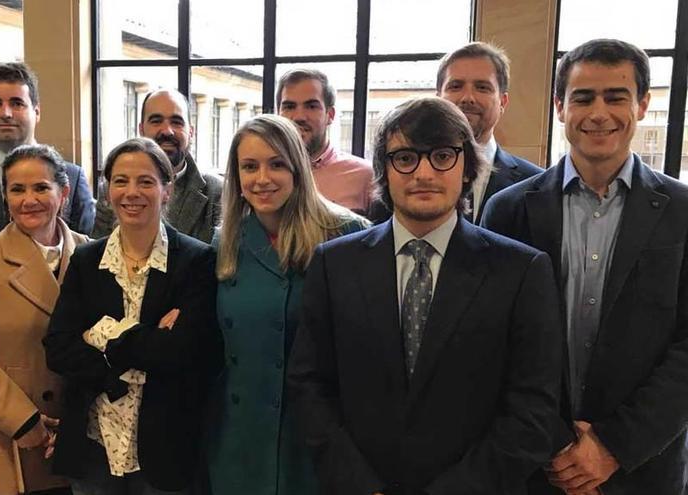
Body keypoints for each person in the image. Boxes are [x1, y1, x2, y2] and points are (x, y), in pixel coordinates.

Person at [288, 97, 571, 494]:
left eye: (441, 155)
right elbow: (309, 386)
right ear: (384, 170)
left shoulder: (520, 271)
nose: (423, 172)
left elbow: (532, 411)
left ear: (467, 166)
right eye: (404, 158)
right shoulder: (335, 264)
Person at [482, 38, 688, 495]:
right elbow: (491, 342)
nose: (599, 113)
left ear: (643, 105)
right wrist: (559, 445)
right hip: (534, 465)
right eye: (582, 97)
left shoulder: (683, 212)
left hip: (643, 467)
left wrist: (613, 447)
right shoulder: (508, 210)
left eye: (616, 97)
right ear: (559, 106)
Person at [44, 137, 222, 494]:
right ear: (108, 189)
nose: (132, 192)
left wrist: (101, 337)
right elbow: (58, 347)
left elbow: (186, 352)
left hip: (164, 446)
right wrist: (146, 339)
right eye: (120, 181)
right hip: (93, 443)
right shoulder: (86, 259)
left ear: (167, 190)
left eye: (146, 181)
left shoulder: (195, 261)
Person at [206, 114, 368, 495]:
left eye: (276, 163)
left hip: (317, 437)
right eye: (250, 166)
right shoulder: (224, 241)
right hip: (238, 437)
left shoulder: (347, 235)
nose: (262, 178)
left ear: (297, 167)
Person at [0, 144, 89, 495]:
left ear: (64, 192)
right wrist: (25, 422)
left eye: (41, 187)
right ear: (5, 196)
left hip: (74, 443)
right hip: (5, 442)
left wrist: (71, 425)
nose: (29, 200)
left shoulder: (91, 253)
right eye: (17, 189)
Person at [0, 62, 95, 237]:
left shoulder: (73, 178)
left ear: (37, 112)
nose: (6, 113)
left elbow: (85, 253)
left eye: (16, 103)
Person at [93, 89, 223, 243]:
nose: (167, 131)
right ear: (141, 130)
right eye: (156, 121)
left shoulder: (217, 192)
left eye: (176, 122)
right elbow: (99, 253)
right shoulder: (113, 189)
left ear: (191, 132)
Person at [436, 42, 543, 222]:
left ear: (503, 101)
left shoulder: (537, 186)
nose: (468, 98)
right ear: (438, 97)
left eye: (482, 87)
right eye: (455, 86)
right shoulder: (407, 176)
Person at [277, 68, 374, 216]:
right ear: (278, 114)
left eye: (311, 106)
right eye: (289, 107)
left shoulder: (365, 177)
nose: (299, 117)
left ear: (330, 115)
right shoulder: (263, 175)